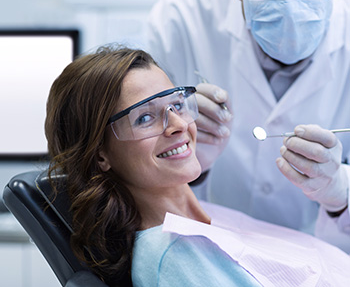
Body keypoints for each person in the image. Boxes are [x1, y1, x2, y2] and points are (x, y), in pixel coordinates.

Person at [43, 45, 350, 287]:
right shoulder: (174, 257)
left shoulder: (204, 218)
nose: (178, 125)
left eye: (176, 104)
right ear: (100, 156)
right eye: (144, 117)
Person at [146, 0, 350, 252]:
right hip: (208, 248)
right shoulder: (180, 20)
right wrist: (189, 166)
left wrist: (340, 192)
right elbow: (134, 171)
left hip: (326, 254)